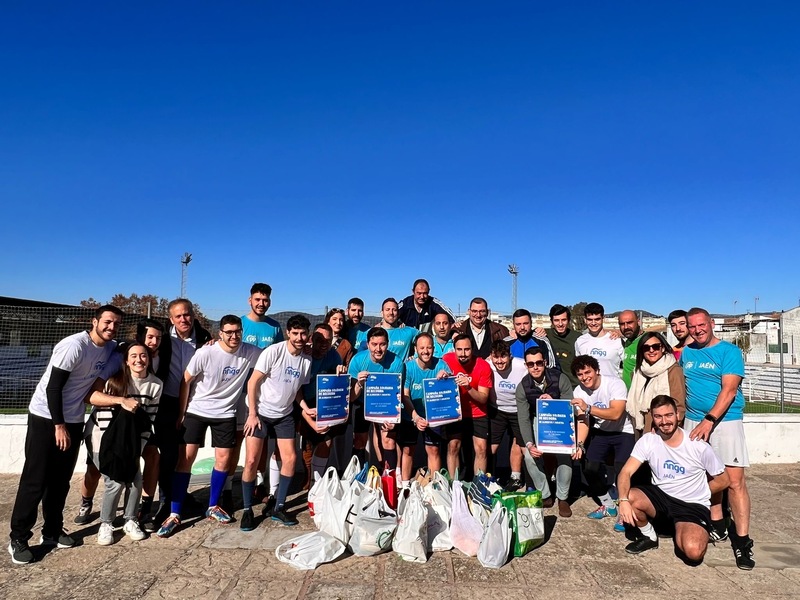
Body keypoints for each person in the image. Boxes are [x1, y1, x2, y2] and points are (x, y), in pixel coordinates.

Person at [9, 305, 123, 565]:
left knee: (60, 480)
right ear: (94, 321)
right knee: (35, 479)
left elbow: (126, 348)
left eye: (116, 324)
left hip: (72, 419)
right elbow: (53, 387)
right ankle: (18, 537)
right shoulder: (74, 346)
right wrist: (58, 425)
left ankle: (51, 531)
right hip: (46, 417)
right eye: (107, 322)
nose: (111, 327)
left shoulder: (109, 348)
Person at [156, 315, 261, 538]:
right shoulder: (206, 352)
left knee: (224, 459)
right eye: (229, 332)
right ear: (219, 333)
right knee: (185, 459)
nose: (234, 336)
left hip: (226, 413)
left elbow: (273, 358)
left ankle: (212, 506)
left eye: (237, 332)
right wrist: (182, 412)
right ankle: (175, 513)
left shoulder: (250, 351)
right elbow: (186, 379)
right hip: (197, 411)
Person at [681, 307, 754, 570]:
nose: (697, 330)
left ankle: (743, 542)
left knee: (734, 482)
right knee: (704, 476)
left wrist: (709, 420)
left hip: (724, 422)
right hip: (692, 420)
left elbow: (730, 390)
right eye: (692, 327)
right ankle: (718, 525)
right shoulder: (688, 352)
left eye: (701, 325)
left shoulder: (729, 351)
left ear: (711, 324)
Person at [617, 395, 730, 563]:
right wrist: (623, 500)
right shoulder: (648, 440)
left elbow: (723, 480)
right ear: (653, 418)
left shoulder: (697, 445)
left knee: (693, 553)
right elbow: (625, 472)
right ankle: (649, 536)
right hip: (661, 498)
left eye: (668, 415)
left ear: (678, 415)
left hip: (691, 505)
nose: (664, 421)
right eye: (658, 416)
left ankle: (685, 528)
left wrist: (699, 492)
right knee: (631, 497)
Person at [239, 315, 313, 529]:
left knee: (290, 458)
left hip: (284, 415)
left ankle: (279, 507)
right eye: (295, 333)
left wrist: (305, 407)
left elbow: (297, 388)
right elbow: (253, 382)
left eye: (303, 334)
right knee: (252, 461)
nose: (299, 338)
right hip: (260, 412)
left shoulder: (306, 359)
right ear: (288, 332)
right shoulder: (273, 352)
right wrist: (252, 413)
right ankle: (247, 510)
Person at [85, 342, 162, 545]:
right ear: (126, 361)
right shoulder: (114, 383)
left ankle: (130, 520)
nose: (139, 360)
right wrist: (110, 451)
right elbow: (102, 419)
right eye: (133, 356)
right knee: (115, 480)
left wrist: (137, 449)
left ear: (149, 358)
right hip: (102, 437)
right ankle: (106, 523)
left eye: (143, 355)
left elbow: (149, 420)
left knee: (136, 479)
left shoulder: (155, 385)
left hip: (131, 439)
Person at [146, 299, 211, 529]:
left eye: (187, 314)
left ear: (193, 314)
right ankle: (165, 502)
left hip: (194, 405)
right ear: (171, 319)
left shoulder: (205, 338)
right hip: (167, 402)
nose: (184, 319)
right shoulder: (163, 339)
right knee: (169, 454)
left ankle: (180, 495)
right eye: (178, 316)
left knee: (186, 455)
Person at [570, 355, 634, 533]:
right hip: (601, 432)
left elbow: (616, 413)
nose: (585, 377)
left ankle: (624, 509)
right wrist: (580, 444)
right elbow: (583, 421)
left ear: (597, 370)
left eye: (588, 372)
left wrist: (588, 407)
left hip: (623, 430)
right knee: (589, 467)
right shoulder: (579, 391)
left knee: (623, 471)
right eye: (580, 374)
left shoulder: (615, 383)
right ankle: (608, 504)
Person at [516, 347, 582, 517]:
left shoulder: (560, 378)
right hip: (538, 421)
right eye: (531, 364)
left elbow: (572, 408)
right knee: (529, 456)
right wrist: (530, 444)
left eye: (539, 363)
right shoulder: (522, 386)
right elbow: (523, 418)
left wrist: (555, 403)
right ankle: (545, 494)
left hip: (561, 420)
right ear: (526, 365)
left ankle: (563, 498)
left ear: (544, 362)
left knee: (565, 455)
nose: (535, 367)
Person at [239, 284, 284, 519]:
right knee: (242, 442)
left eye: (265, 300)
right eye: (257, 299)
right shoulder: (241, 323)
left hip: (269, 394)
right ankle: (233, 490)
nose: (261, 303)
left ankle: (264, 485)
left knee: (267, 444)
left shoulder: (275, 327)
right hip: (241, 390)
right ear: (249, 300)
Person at [348, 327, 406, 468]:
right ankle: (358, 478)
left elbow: (397, 393)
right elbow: (351, 398)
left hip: (386, 402)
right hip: (362, 402)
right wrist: (359, 384)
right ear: (368, 344)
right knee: (359, 441)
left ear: (388, 344)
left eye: (382, 344)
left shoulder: (396, 362)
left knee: (389, 440)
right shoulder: (357, 360)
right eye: (374, 344)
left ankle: (388, 477)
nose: (378, 349)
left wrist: (394, 417)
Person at [297, 323, 347, 489]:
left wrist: (340, 370)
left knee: (326, 441)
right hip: (303, 402)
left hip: (325, 401)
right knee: (308, 443)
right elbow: (296, 388)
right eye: (320, 340)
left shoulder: (334, 355)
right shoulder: (303, 355)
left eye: (328, 340)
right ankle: (307, 477)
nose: (324, 344)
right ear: (312, 339)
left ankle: (316, 483)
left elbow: (339, 379)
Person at [401, 333, 452, 482]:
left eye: (429, 347)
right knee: (408, 450)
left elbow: (450, 389)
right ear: (415, 349)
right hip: (410, 415)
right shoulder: (408, 367)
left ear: (433, 348)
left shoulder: (441, 365)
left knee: (433, 450)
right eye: (422, 347)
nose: (425, 351)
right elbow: (405, 395)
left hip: (433, 417)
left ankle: (434, 486)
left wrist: (446, 377)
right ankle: (405, 485)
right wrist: (415, 417)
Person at [442, 334, 492, 477]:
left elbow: (483, 398)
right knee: (453, 447)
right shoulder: (446, 360)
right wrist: (440, 374)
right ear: (454, 349)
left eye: (467, 350)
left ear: (472, 349)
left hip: (478, 412)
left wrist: (469, 387)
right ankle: (454, 484)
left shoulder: (483, 365)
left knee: (481, 449)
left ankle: (479, 485)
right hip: (456, 412)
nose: (463, 354)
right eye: (459, 349)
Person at [486, 340, 528, 491]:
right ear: (491, 356)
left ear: (510, 356)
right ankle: (489, 477)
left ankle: (516, 477)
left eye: (503, 357)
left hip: (518, 410)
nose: (499, 361)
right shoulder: (488, 364)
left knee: (520, 444)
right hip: (497, 409)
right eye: (496, 357)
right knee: (492, 447)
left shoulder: (521, 365)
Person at [628, 332, 686, 436]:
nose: (651, 350)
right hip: (640, 426)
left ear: (662, 348)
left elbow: (679, 404)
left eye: (655, 347)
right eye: (646, 348)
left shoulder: (673, 370)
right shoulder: (638, 371)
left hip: (663, 429)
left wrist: (668, 429)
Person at [575, 302, 624, 379]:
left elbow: (628, 366)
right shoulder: (580, 341)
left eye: (597, 319)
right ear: (585, 320)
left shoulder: (616, 341)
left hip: (611, 388)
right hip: (588, 389)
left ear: (603, 319)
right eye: (590, 319)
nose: (593, 323)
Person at [539, 304, 581, 388]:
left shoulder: (578, 338)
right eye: (556, 320)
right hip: (552, 387)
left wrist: (614, 333)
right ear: (552, 321)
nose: (560, 324)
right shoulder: (544, 335)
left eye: (564, 320)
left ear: (569, 320)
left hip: (573, 387)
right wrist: (513, 333)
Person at [377, 297, 418, 362]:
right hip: (379, 371)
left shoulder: (408, 331)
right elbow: (362, 352)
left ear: (398, 313)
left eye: (394, 310)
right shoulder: (373, 332)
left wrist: (417, 357)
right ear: (382, 313)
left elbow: (428, 340)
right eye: (387, 309)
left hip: (401, 371)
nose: (391, 313)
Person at [618, 310, 643, 390]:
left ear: (638, 322)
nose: (626, 327)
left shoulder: (648, 342)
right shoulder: (626, 342)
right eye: (622, 324)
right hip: (627, 397)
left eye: (629, 323)